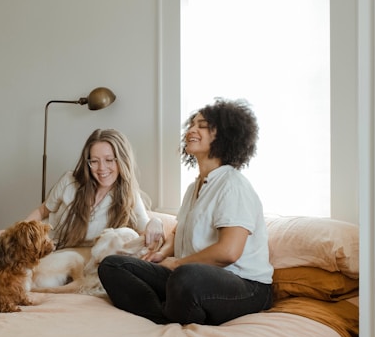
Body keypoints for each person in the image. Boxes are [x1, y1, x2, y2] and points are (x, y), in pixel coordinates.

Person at [98, 98, 274, 325]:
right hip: (189, 276)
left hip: (245, 286)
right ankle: (164, 316)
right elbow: (178, 231)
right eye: (191, 124)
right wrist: (162, 254)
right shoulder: (195, 187)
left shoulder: (233, 184)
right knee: (112, 265)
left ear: (224, 136)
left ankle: (175, 308)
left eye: (202, 125)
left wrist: (178, 263)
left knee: (185, 277)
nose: (191, 129)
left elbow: (229, 252)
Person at [23, 128, 164, 249]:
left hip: (77, 260)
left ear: (122, 160)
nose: (102, 168)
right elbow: (42, 211)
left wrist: (156, 222)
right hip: (44, 248)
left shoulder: (128, 195)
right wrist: (19, 231)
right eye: (94, 161)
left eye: (109, 160)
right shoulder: (69, 181)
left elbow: (146, 229)